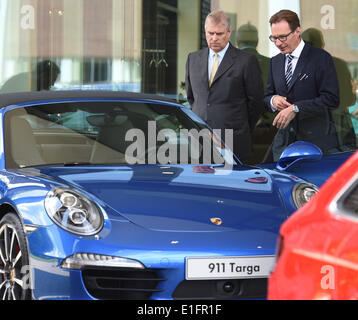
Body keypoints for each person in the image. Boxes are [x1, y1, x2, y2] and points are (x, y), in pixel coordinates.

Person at [185, 10, 264, 162]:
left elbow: (256, 103)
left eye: (219, 34)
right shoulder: (193, 59)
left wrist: (239, 128)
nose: (214, 38)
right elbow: (192, 98)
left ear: (229, 33)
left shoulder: (246, 61)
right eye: (210, 33)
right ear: (205, 31)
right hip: (199, 140)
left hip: (233, 141)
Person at [264, 10, 340, 161]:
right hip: (284, 146)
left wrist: (296, 108)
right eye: (274, 38)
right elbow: (266, 97)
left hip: (317, 144)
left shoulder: (320, 58)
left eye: (283, 37)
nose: (278, 43)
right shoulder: (275, 62)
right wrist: (273, 100)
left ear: (297, 31)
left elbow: (331, 99)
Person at [301, 28, 356, 149]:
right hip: (341, 129)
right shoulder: (339, 64)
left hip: (310, 134)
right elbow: (350, 100)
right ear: (322, 44)